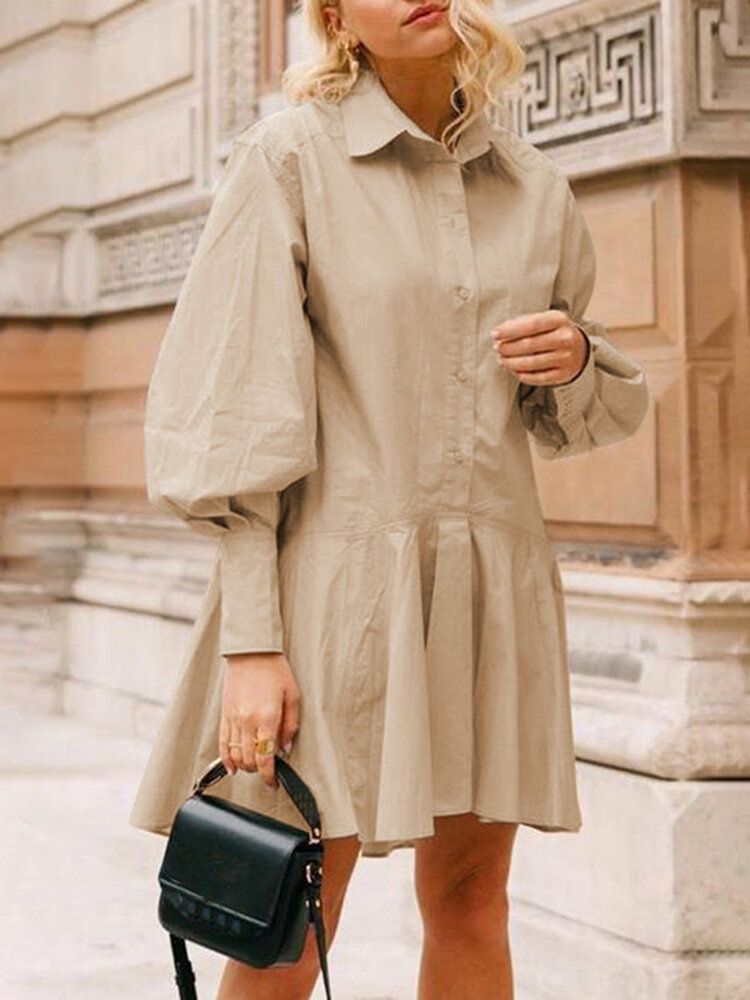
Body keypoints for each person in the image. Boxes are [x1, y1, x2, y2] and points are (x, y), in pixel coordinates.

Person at [128, 1, 650, 997]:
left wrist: (577, 357)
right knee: (288, 914)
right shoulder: (287, 163)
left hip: (488, 587)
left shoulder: (535, 187)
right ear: (335, 18)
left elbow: (568, 417)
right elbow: (233, 411)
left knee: (471, 899)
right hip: (335, 593)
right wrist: (251, 642)